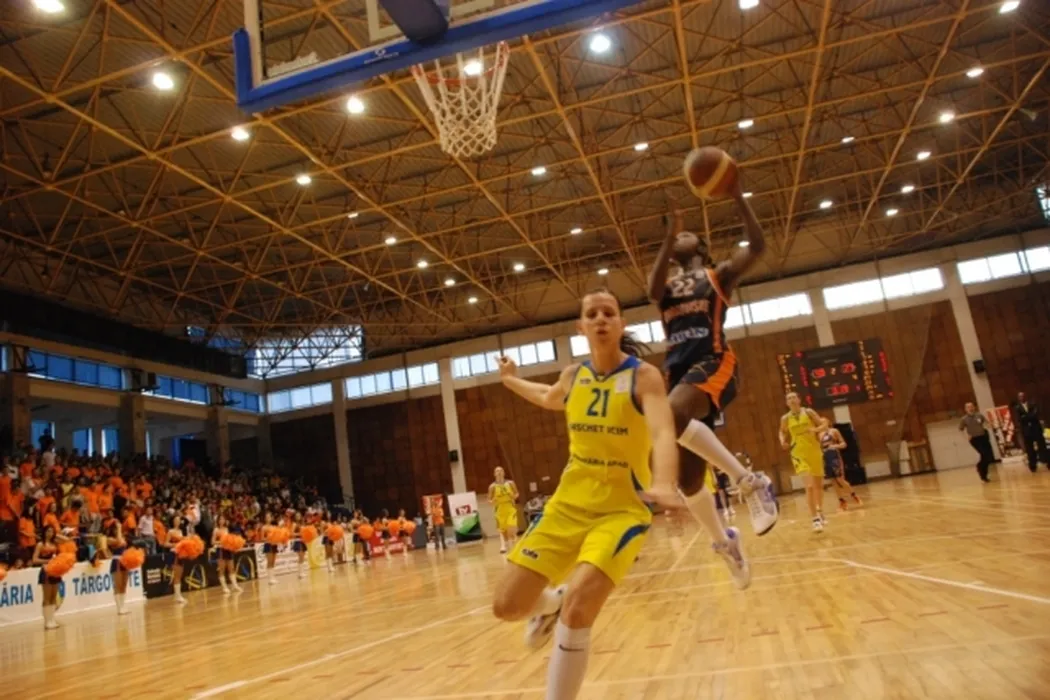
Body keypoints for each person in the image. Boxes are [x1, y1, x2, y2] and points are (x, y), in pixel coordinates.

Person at [491, 288, 684, 700]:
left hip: (621, 510)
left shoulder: (643, 377)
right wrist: (508, 380)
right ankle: (549, 604)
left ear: (621, 323)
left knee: (580, 606)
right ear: (580, 326)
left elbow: (663, 431)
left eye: (608, 312)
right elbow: (545, 397)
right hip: (567, 505)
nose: (600, 319)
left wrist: (665, 483)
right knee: (507, 606)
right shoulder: (572, 376)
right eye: (592, 313)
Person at [647, 189, 779, 556]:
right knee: (689, 480)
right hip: (678, 374)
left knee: (670, 413)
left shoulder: (718, 274)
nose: (683, 236)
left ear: (702, 248)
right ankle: (725, 542)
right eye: (679, 236)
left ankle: (749, 481)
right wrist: (668, 237)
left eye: (689, 235)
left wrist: (736, 194)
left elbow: (757, 246)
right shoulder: (667, 287)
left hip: (714, 361)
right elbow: (652, 290)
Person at [779, 393, 829, 532]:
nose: (791, 400)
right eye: (788, 398)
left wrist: (815, 429)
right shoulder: (785, 418)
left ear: (799, 400)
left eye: (793, 397)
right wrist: (782, 441)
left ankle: (820, 510)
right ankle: (815, 519)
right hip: (798, 453)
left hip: (814, 451)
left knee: (818, 485)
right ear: (786, 403)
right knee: (809, 486)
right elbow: (782, 432)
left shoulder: (808, 412)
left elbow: (824, 424)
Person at [820, 423, 862, 508]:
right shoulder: (819, 434)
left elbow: (844, 444)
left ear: (827, 423)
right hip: (825, 457)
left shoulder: (834, 431)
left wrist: (835, 446)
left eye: (823, 422)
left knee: (840, 479)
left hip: (834, 456)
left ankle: (854, 495)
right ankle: (842, 501)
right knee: (833, 481)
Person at [959, 402, 996, 482]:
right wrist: (966, 436)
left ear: (974, 407)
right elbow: (961, 429)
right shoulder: (964, 419)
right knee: (983, 454)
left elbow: (986, 423)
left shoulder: (979, 415)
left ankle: (982, 473)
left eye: (972, 406)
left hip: (983, 437)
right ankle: (981, 470)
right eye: (968, 407)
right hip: (975, 439)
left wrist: (990, 425)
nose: (970, 408)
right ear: (965, 409)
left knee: (988, 457)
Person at [1013, 392, 1048, 472]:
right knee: (1030, 449)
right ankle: (1033, 465)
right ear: (1018, 398)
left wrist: (1026, 416)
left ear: (1025, 396)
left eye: (1023, 396)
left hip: (1036, 428)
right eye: (1020, 396)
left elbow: (1035, 414)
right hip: (1026, 431)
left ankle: (1047, 461)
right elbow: (1019, 419)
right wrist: (1028, 416)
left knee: (1042, 446)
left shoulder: (1032, 404)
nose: (1022, 397)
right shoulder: (1017, 408)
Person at [488, 466, 520, 554]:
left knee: (511, 527)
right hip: (499, 509)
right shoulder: (492, 487)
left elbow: (517, 493)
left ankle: (514, 541)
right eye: (497, 471)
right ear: (494, 474)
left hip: (510, 507)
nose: (499, 472)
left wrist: (513, 496)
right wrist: (493, 501)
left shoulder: (510, 483)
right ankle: (504, 545)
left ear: (504, 473)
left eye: (501, 470)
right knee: (503, 530)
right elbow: (489, 500)